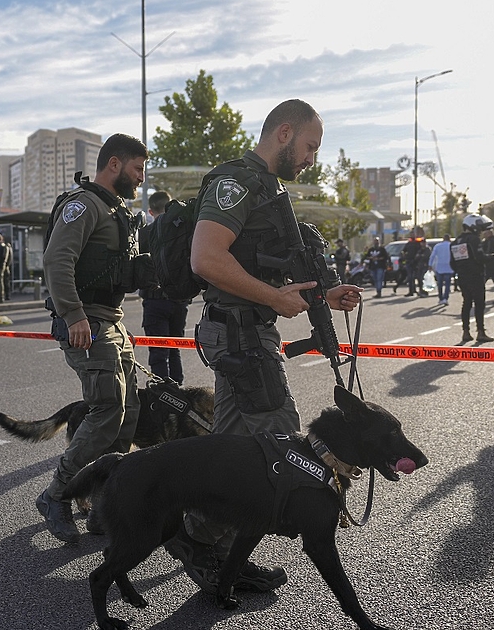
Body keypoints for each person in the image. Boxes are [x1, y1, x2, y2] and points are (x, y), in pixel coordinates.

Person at [180, 99, 363, 594]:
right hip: (239, 334)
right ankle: (207, 545)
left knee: (235, 454)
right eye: (309, 146)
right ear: (284, 133)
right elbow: (205, 258)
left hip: (248, 330)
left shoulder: (268, 189)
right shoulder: (236, 182)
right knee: (280, 453)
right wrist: (272, 299)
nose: (311, 158)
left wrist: (322, 296)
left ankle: (206, 544)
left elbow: (257, 268)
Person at [37, 133, 147, 544]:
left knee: (128, 412)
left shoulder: (114, 209)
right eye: (136, 169)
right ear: (114, 165)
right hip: (88, 324)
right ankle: (56, 495)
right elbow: (56, 259)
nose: (140, 179)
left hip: (111, 322)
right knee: (106, 412)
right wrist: (74, 314)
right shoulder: (82, 205)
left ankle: (104, 504)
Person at [139, 190, 188, 382]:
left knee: (158, 352)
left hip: (154, 300)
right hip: (179, 300)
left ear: (151, 212)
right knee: (175, 349)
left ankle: (163, 394)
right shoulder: (182, 231)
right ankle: (178, 390)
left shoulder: (144, 234)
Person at [450, 214, 494, 344]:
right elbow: (479, 257)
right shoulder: (473, 240)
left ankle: (466, 332)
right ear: (472, 226)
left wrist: (461, 270)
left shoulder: (456, 241)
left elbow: (452, 263)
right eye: (479, 227)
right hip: (475, 276)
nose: (481, 231)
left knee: (466, 303)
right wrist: (492, 257)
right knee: (479, 304)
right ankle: (481, 332)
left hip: (462, 277)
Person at [402, 227, 430, 297]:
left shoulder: (418, 242)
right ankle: (411, 291)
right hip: (409, 262)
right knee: (410, 277)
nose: (412, 235)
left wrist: (418, 258)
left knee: (419, 278)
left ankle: (422, 291)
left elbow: (422, 251)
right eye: (411, 234)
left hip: (417, 263)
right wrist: (404, 255)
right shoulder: (409, 243)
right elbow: (404, 251)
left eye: (413, 234)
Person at [428, 234, 454, 306]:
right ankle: (446, 298)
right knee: (447, 284)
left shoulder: (438, 246)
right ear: (449, 239)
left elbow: (432, 256)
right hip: (449, 267)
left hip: (439, 267)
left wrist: (430, 264)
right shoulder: (451, 246)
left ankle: (440, 298)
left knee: (440, 284)